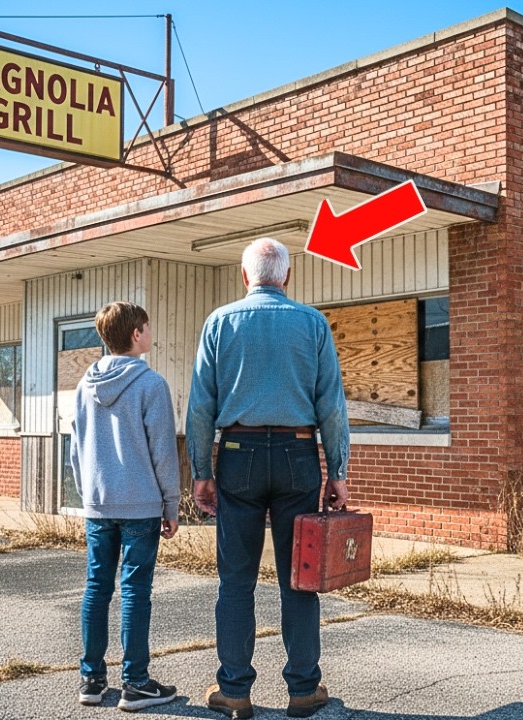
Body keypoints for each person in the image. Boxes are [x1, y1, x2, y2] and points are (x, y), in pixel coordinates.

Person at [187, 237, 350, 719]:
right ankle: (303, 689)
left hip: (238, 453)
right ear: (287, 277)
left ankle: (235, 690)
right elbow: (331, 406)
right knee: (299, 577)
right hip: (299, 454)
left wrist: (201, 472)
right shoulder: (313, 323)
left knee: (236, 580)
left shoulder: (220, 322)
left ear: (245, 277)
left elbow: (200, 406)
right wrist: (338, 471)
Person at [70, 300, 181, 712]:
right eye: (147, 327)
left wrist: (88, 495)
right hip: (141, 506)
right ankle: (136, 683)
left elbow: (76, 449)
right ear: (136, 334)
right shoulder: (151, 384)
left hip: (98, 504)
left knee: (96, 588)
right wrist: (172, 504)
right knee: (135, 591)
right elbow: (163, 452)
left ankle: (91, 680)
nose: (150, 333)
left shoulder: (84, 385)